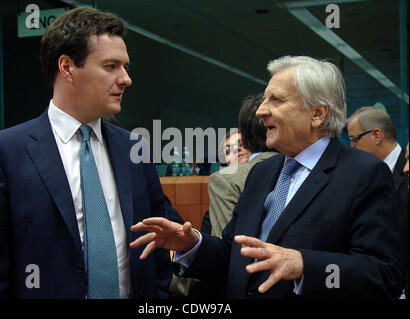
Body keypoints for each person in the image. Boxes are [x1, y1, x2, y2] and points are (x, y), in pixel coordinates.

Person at [130, 56, 406, 298]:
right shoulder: (262, 173)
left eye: (276, 100)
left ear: (317, 114)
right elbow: (233, 256)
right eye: (264, 99)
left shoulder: (363, 174)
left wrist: (303, 265)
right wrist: (192, 244)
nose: (261, 110)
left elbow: (385, 275)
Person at [0, 8, 181, 299]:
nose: (126, 79)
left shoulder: (135, 150)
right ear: (67, 68)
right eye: (111, 66)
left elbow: (156, 246)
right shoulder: (1, 155)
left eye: (125, 66)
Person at [346, 106, 409, 297]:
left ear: (376, 135)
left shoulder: (405, 171)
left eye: (355, 139)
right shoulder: (361, 177)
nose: (351, 147)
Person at [208, 94, 277, 239]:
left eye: (239, 144)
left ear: (246, 143)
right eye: (227, 150)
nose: (235, 150)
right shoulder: (222, 186)